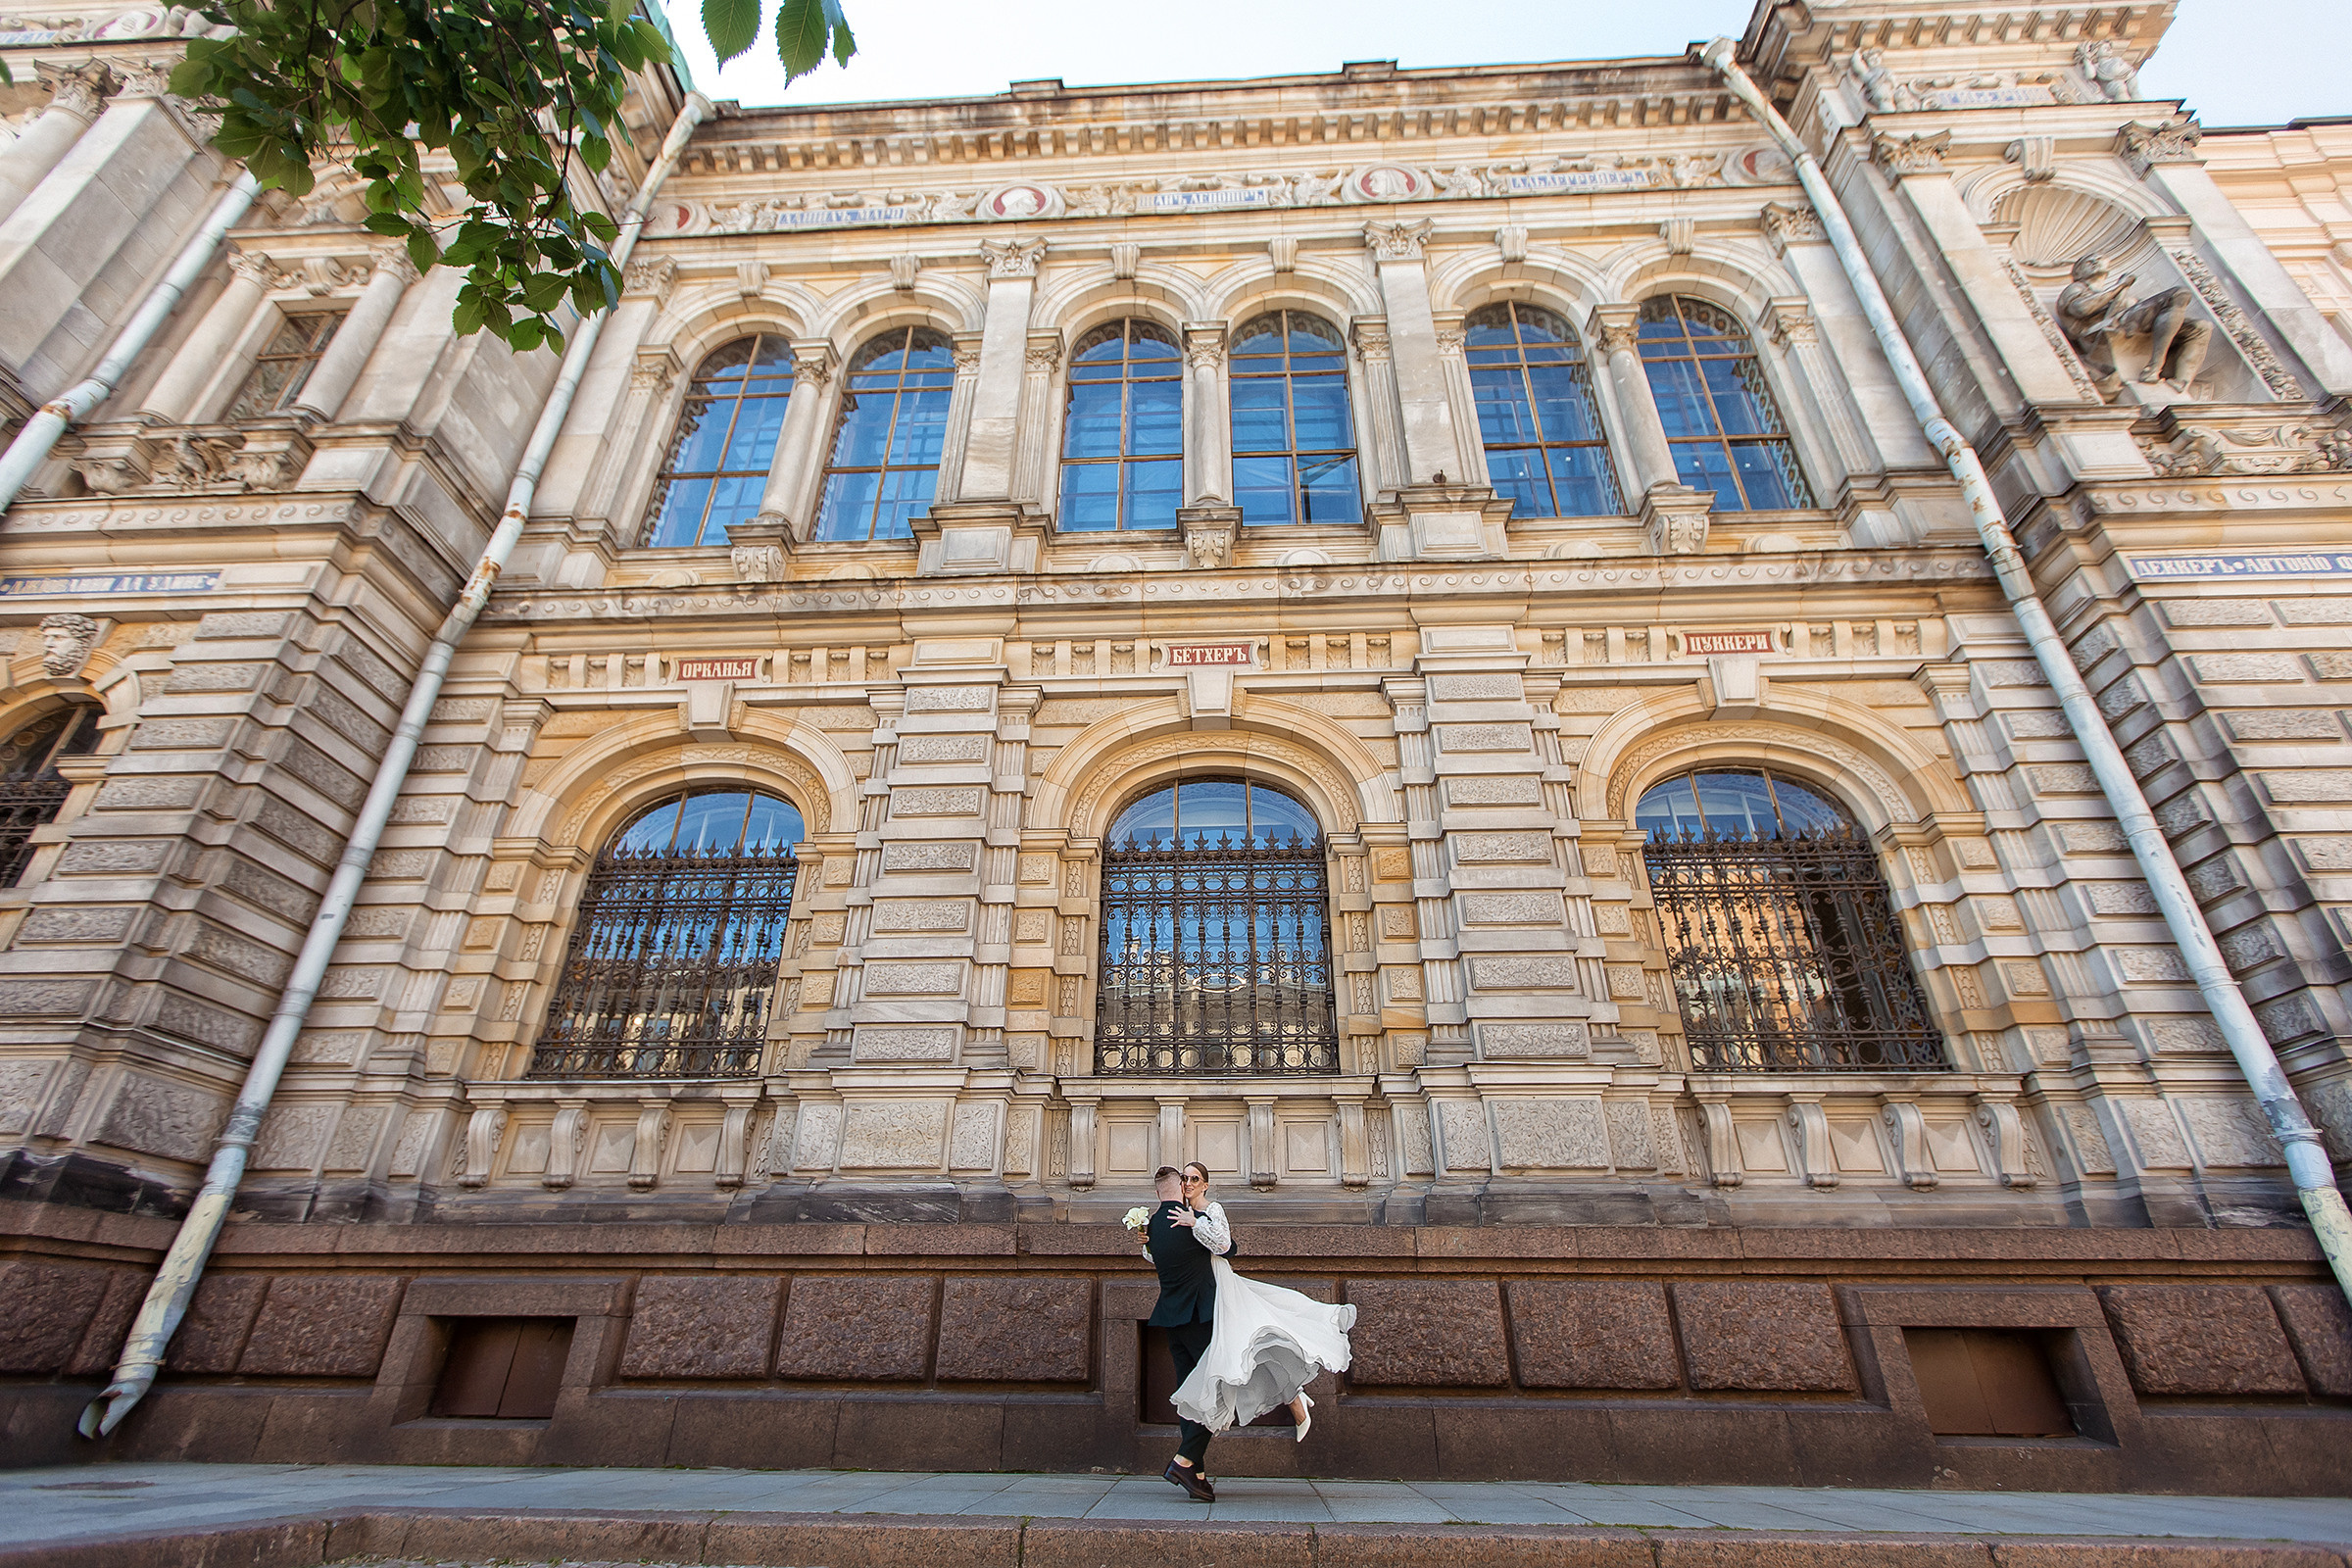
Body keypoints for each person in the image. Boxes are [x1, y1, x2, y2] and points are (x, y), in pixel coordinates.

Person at [1166, 1160, 1357, 1449]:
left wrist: (1196, 1222)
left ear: (1204, 1185)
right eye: (1185, 1178)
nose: (1189, 1183)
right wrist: (1149, 1244)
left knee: (1251, 1342)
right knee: (1242, 1352)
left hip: (1219, 1286)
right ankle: (1291, 1398)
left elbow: (1222, 1244)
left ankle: (1289, 1397)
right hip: (1194, 1292)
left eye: (1195, 1178)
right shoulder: (1178, 1212)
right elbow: (1170, 1256)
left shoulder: (1212, 1209)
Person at [1145, 1165, 1219, 1501]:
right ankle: (1183, 1460)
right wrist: (1199, 1221)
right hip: (1198, 1318)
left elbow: (1153, 1255)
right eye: (1185, 1181)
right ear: (1178, 1187)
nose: (1189, 1185)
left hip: (1170, 1319)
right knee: (1216, 1391)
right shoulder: (1186, 1222)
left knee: (1190, 1396)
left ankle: (1198, 1476)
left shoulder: (1151, 1229)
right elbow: (1228, 1248)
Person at [2055, 254, 2212, 398]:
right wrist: (2120, 286)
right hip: (2101, 334)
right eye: (2089, 262)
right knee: (2177, 294)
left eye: (2100, 259)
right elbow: (2081, 308)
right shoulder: (2077, 288)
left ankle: (2181, 382)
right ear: (2077, 273)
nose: (2096, 262)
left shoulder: (2115, 293)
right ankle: (2154, 367)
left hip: (2126, 324)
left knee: (2201, 328)